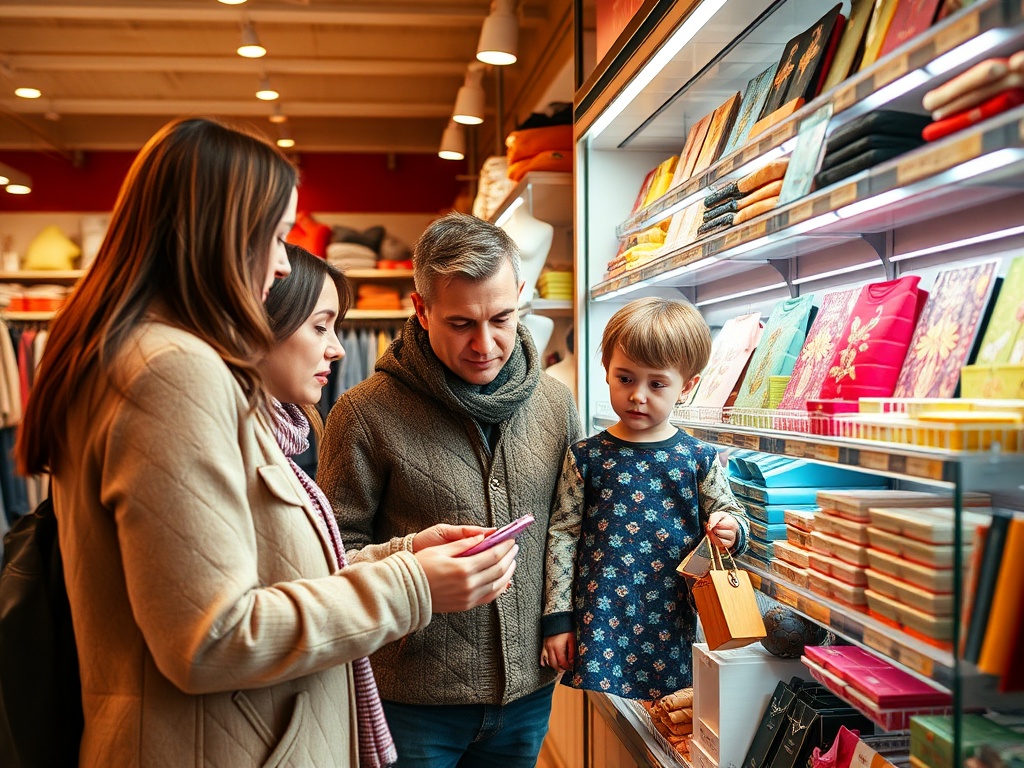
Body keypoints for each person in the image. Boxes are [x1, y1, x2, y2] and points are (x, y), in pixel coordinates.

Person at [15, 117, 516, 766]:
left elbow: (254, 570)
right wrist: (410, 585)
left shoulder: (147, 360)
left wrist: (404, 556)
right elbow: (212, 636)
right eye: (277, 236)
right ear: (221, 233)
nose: (282, 264)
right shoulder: (172, 372)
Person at [318, 211, 582, 767]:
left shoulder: (556, 406)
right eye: (461, 323)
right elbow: (328, 558)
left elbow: (574, 529)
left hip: (529, 695)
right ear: (422, 308)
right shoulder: (363, 415)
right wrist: (413, 563)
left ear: (521, 296)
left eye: (502, 319)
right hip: (410, 703)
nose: (485, 344)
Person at [541, 296, 750, 702]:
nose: (638, 395)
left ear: (687, 386)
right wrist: (557, 619)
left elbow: (732, 513)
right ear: (606, 372)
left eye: (656, 384)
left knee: (669, 706)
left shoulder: (698, 458)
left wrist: (731, 530)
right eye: (625, 378)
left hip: (671, 615)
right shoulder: (585, 456)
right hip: (599, 618)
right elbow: (563, 535)